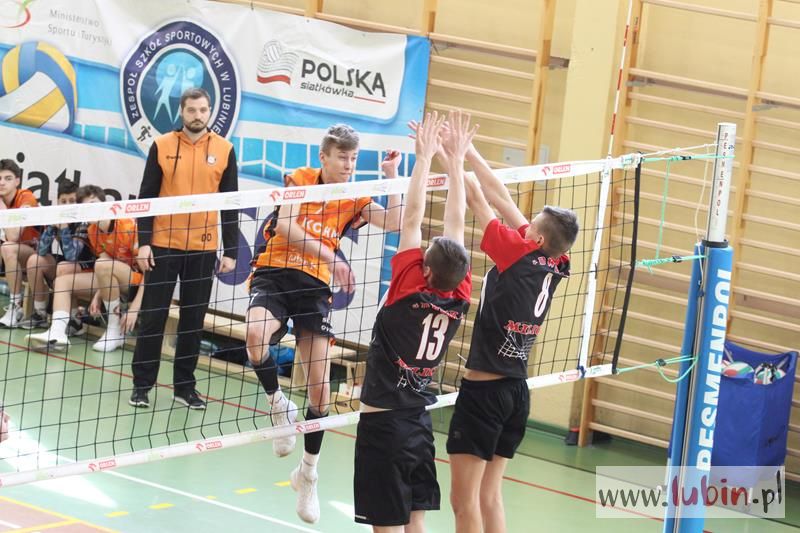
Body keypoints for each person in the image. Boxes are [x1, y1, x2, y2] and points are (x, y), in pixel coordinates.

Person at [245, 123, 402, 524]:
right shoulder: (301, 179)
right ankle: (278, 404)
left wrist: (391, 177)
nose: (349, 165)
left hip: (314, 288)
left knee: (320, 391)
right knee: (255, 337)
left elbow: (395, 221)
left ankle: (308, 473)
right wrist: (333, 257)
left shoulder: (354, 196)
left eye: (354, 158)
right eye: (342, 158)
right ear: (324, 158)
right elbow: (286, 225)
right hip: (274, 273)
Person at [446, 144, 579, 532]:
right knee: (490, 496)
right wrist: (471, 151)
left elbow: (477, 197)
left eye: (531, 224)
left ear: (535, 239)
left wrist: (449, 154)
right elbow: (502, 198)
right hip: (517, 393)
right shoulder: (556, 261)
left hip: (485, 394)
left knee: (464, 502)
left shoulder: (516, 254)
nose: (525, 225)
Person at [354, 110, 475, 532]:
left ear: (424, 270)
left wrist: (423, 158)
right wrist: (454, 164)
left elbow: (412, 219)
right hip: (418, 422)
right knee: (414, 520)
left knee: (386, 526)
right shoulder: (460, 294)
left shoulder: (407, 289)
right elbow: (456, 223)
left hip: (383, 423)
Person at [129, 87, 238, 410]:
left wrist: (231, 250)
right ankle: (141, 386)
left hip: (203, 249)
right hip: (163, 245)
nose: (197, 116)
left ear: (210, 111)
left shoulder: (225, 149)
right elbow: (146, 198)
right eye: (192, 110)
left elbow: (230, 204)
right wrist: (144, 242)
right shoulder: (162, 145)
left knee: (193, 320)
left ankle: (184, 387)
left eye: (203, 110)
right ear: (181, 112)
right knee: (153, 318)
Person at [27, 185, 144, 352]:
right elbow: (106, 267)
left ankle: (115, 330)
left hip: (137, 283)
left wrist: (134, 309)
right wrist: (99, 294)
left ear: (105, 204)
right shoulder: (93, 230)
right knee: (62, 281)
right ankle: (57, 332)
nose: (91, 210)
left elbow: (150, 274)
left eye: (94, 204)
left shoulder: (127, 226)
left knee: (100, 264)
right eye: (86, 208)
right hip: (111, 279)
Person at [20, 179, 94, 330]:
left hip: (90, 268)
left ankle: (75, 320)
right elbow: (41, 251)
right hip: (66, 266)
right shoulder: (56, 216)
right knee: (34, 260)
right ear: (57, 203)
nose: (67, 205)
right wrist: (51, 228)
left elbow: (72, 256)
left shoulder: (84, 221)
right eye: (63, 201)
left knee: (65, 267)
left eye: (72, 201)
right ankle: (40, 313)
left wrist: (64, 229)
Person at [0, 158, 40, 328]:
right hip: (10, 256)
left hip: (34, 255)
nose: (2, 183)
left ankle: (16, 306)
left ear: (17, 181)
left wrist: (1, 207)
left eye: (7, 178)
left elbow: (14, 236)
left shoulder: (26, 197)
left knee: (8, 247)